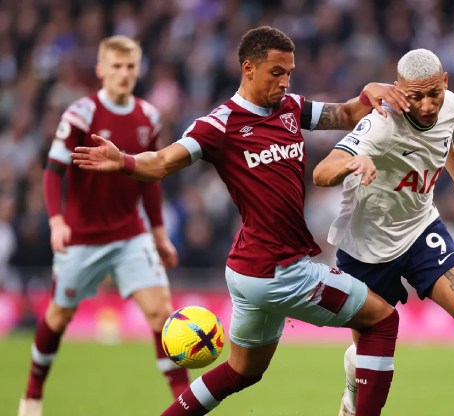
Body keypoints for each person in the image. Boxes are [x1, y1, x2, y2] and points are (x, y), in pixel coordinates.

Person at [70, 26, 411, 416]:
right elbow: (163, 161)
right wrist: (124, 161)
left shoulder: (291, 108)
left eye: (289, 73)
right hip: (281, 273)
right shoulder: (220, 125)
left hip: (248, 272)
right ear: (248, 69)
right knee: (382, 321)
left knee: (242, 371)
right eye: (276, 73)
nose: (285, 82)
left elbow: (347, 113)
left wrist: (370, 92)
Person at [313, 49, 454, 416]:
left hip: (421, 230)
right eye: (415, 96)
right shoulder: (381, 124)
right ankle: (351, 395)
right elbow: (322, 172)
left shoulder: (450, 106)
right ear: (398, 88)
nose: (425, 106)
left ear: (445, 83)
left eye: (432, 94)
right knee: (364, 353)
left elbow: (442, 138)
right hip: (365, 249)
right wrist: (352, 162)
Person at [19, 36, 187, 416]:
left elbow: (150, 180)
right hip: (82, 237)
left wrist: (159, 233)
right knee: (58, 317)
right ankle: (31, 396)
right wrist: (57, 221)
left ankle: (183, 404)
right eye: (116, 67)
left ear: (138, 69)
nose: (124, 74)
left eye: (130, 67)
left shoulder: (149, 117)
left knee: (162, 314)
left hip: (130, 234)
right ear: (100, 70)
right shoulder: (81, 114)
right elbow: (52, 171)